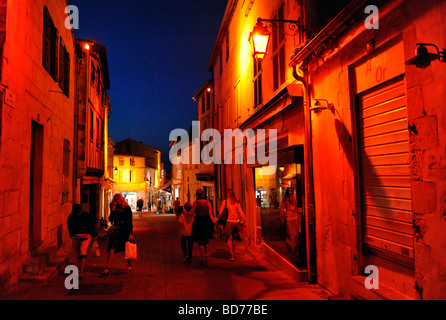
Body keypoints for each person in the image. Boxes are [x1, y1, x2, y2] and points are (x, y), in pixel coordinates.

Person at [101, 193, 134, 276]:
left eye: (118, 199)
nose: (116, 201)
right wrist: (113, 210)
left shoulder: (127, 208)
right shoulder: (114, 208)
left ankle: (129, 264)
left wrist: (130, 233)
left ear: (121, 199)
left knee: (127, 247)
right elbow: (111, 219)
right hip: (117, 229)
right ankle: (107, 267)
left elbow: (130, 221)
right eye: (115, 200)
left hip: (125, 229)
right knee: (111, 248)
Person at [67, 204, 97, 279]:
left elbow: (90, 225)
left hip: (86, 236)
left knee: (82, 250)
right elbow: (70, 226)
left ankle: (81, 271)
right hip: (76, 236)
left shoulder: (86, 215)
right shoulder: (71, 216)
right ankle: (80, 266)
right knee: (77, 252)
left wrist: (93, 234)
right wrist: (73, 235)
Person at [217, 189, 245, 262]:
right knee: (234, 238)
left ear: (228, 195)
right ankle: (233, 253)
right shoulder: (236, 202)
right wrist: (243, 219)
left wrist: (218, 217)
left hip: (229, 222)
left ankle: (232, 255)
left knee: (229, 239)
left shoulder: (225, 202)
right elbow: (241, 212)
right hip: (236, 222)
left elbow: (221, 212)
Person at [190, 189, 215, 265]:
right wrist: (213, 223)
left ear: (197, 195)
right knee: (206, 240)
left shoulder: (196, 203)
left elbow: (191, 212)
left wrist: (185, 212)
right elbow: (211, 214)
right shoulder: (208, 203)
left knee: (200, 241)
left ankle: (203, 257)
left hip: (199, 222)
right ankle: (206, 254)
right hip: (207, 221)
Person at [279, 187, 299, 257]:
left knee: (290, 235)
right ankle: (293, 250)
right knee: (294, 235)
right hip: (295, 218)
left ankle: (291, 250)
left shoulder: (286, 199)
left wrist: (280, 217)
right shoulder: (295, 198)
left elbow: (282, 209)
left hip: (290, 218)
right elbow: (297, 207)